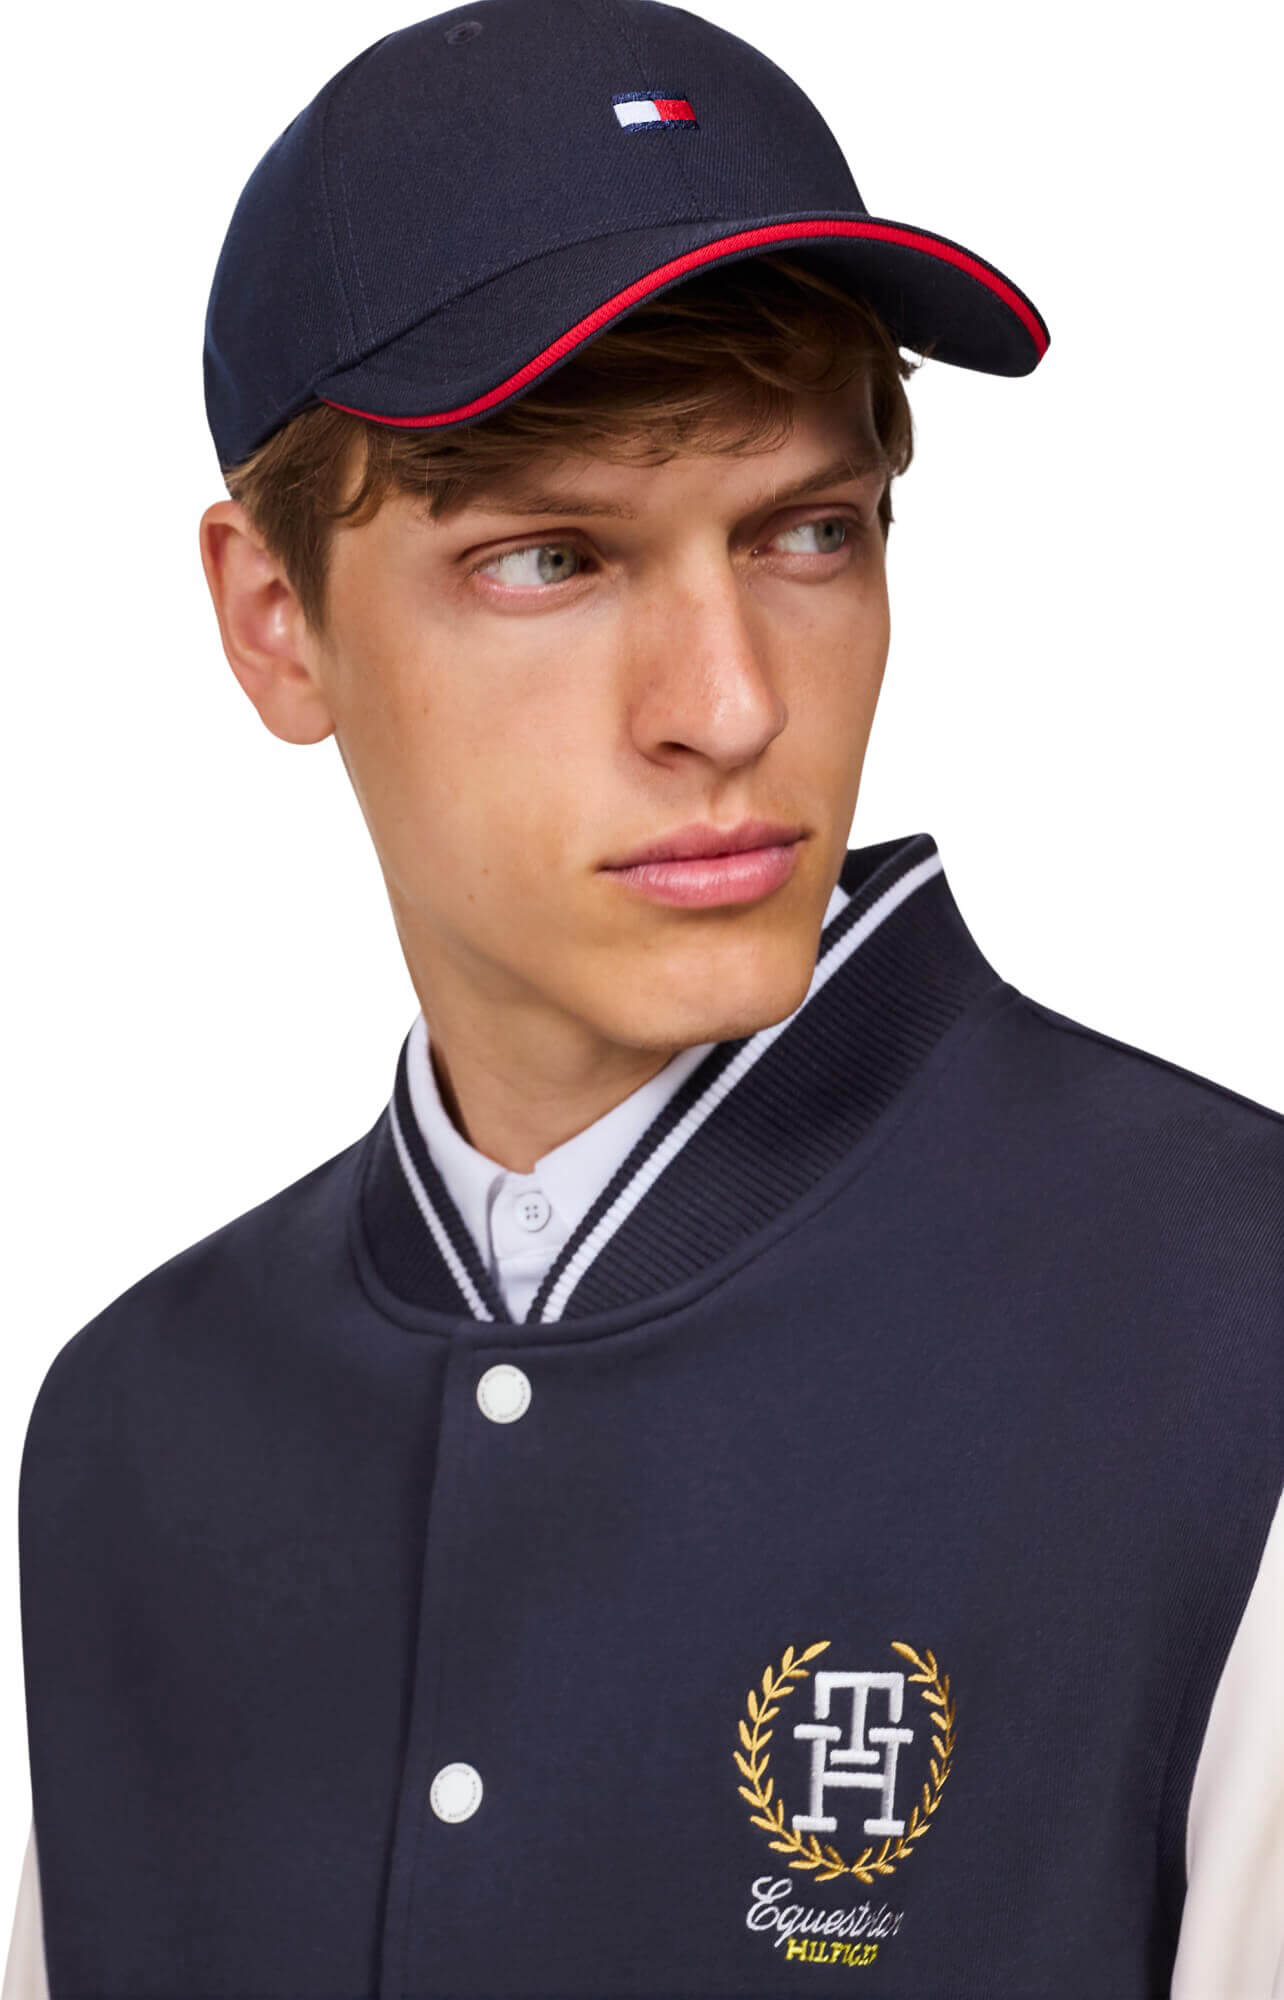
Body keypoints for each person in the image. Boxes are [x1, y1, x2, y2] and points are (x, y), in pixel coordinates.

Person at [6, 1, 1281, 1995]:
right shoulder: (126, 1440)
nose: (731, 704)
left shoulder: (1236, 1337)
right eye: (552, 558)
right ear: (275, 621)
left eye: (809, 532)